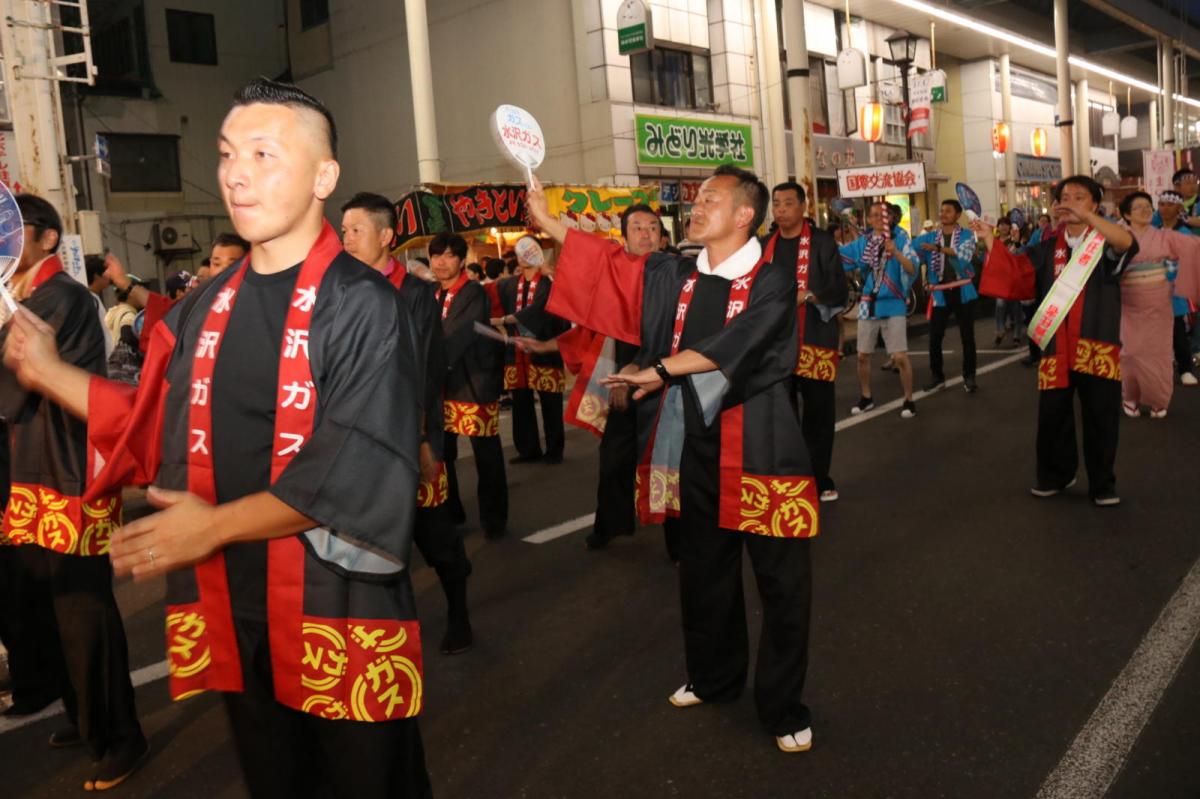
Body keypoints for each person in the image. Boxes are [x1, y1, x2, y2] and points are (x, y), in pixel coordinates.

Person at [4, 78, 433, 796]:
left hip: (337, 602)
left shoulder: (363, 304)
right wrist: (47, 372)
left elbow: (355, 465)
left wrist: (210, 527)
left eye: (264, 153)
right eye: (229, 153)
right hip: (238, 602)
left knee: (372, 784)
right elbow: (148, 421)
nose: (235, 172)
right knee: (275, 779)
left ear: (324, 176)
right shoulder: (205, 306)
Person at [531, 165, 819, 754]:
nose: (698, 204)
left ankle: (784, 704)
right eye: (698, 196)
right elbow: (616, 268)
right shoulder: (676, 272)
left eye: (712, 197)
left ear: (745, 215)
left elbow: (747, 346)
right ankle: (715, 677)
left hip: (763, 448)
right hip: (695, 444)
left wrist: (659, 369)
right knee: (706, 573)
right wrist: (553, 226)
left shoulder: (772, 279)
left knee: (781, 584)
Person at [0, 193, 145, 790]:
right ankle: (83, 715)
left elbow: (12, 391)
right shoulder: (28, 299)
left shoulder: (62, 299)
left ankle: (119, 737)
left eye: (11, 229)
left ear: (47, 239)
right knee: (41, 605)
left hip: (67, 476)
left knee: (82, 612)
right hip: (28, 475)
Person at [340, 191, 474, 654]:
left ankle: (459, 613)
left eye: (356, 230)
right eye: (343, 231)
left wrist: (421, 439)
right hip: (358, 443)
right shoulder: (338, 291)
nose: (347, 239)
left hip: (410, 438)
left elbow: (425, 372)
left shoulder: (417, 295)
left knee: (434, 535)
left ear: (386, 236)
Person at [977, 175, 1137, 507]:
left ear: (1095, 204)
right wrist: (991, 243)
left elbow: (1126, 243)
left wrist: (1089, 219)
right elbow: (1018, 274)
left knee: (1101, 416)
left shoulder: (1103, 242)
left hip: (1097, 343)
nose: (1070, 201)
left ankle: (1103, 484)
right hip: (1056, 345)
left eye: (1080, 197)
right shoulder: (1048, 247)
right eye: (1065, 196)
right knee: (1052, 415)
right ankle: (1055, 475)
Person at [767, 182, 848, 502]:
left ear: (803, 207)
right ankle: (789, 477)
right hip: (775, 346)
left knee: (818, 414)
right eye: (776, 204)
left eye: (788, 203)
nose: (781, 210)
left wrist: (810, 294)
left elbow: (839, 287)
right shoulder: (764, 245)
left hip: (815, 338)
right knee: (780, 415)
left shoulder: (822, 242)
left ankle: (819, 477)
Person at [432, 232, 510, 539]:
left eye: (449, 256)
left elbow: (458, 334)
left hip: (474, 384)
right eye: (437, 256)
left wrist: (430, 364)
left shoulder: (473, 293)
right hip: (442, 386)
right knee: (445, 454)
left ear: (462, 261)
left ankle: (494, 519)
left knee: (486, 454)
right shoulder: (431, 293)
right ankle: (451, 512)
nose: (441, 262)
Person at [1116, 191, 1200, 417]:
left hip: (1159, 302)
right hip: (1129, 303)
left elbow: (1194, 246)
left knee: (1159, 352)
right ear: (1126, 214)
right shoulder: (1120, 236)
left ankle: (1158, 399)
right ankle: (1131, 396)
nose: (1145, 210)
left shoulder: (1164, 236)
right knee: (1130, 353)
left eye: (1148, 206)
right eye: (1138, 207)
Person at [840, 201, 919, 418]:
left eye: (880, 215)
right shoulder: (864, 242)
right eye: (872, 215)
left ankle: (909, 399)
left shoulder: (901, 239)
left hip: (894, 303)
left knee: (900, 356)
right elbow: (840, 257)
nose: (875, 219)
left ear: (890, 218)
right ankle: (866, 397)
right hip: (868, 303)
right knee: (862, 355)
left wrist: (898, 254)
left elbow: (913, 268)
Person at [493, 236, 567, 465]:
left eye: (528, 250)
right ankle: (528, 448)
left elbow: (542, 310)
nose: (523, 255)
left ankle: (554, 450)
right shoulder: (508, 284)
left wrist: (505, 319)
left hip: (544, 346)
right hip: (516, 351)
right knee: (521, 402)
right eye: (520, 250)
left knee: (550, 402)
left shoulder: (548, 282)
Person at [914, 199, 979, 393]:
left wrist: (939, 249)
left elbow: (963, 255)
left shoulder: (968, 235)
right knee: (934, 337)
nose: (943, 214)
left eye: (948, 211)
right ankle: (937, 376)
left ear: (958, 215)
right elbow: (910, 251)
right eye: (941, 211)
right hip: (940, 293)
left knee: (967, 336)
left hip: (962, 290)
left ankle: (969, 376)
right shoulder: (931, 236)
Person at [1153, 191, 1199, 386]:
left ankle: (1186, 369)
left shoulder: (1186, 234)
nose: (1164, 208)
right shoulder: (1153, 231)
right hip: (1152, 289)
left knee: (1177, 331)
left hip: (1176, 290)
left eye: (1169, 205)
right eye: (1161, 204)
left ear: (1179, 208)